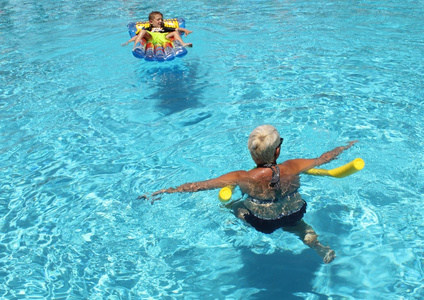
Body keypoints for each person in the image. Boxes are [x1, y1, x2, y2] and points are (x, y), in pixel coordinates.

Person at [144, 125, 358, 263]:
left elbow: (200, 185)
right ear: (277, 151)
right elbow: (324, 159)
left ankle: (232, 212)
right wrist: (345, 147)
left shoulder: (241, 176)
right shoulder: (293, 166)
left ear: (251, 152)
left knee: (233, 205)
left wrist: (164, 190)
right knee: (295, 223)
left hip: (261, 222)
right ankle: (317, 245)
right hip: (295, 212)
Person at [122, 11, 193, 49]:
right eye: (158, 19)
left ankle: (183, 44)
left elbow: (176, 29)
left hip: (164, 38)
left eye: (161, 19)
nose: (161, 21)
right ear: (151, 22)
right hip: (152, 38)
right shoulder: (149, 28)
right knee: (142, 31)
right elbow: (137, 36)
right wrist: (128, 42)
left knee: (174, 32)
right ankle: (135, 46)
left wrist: (186, 30)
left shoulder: (164, 27)